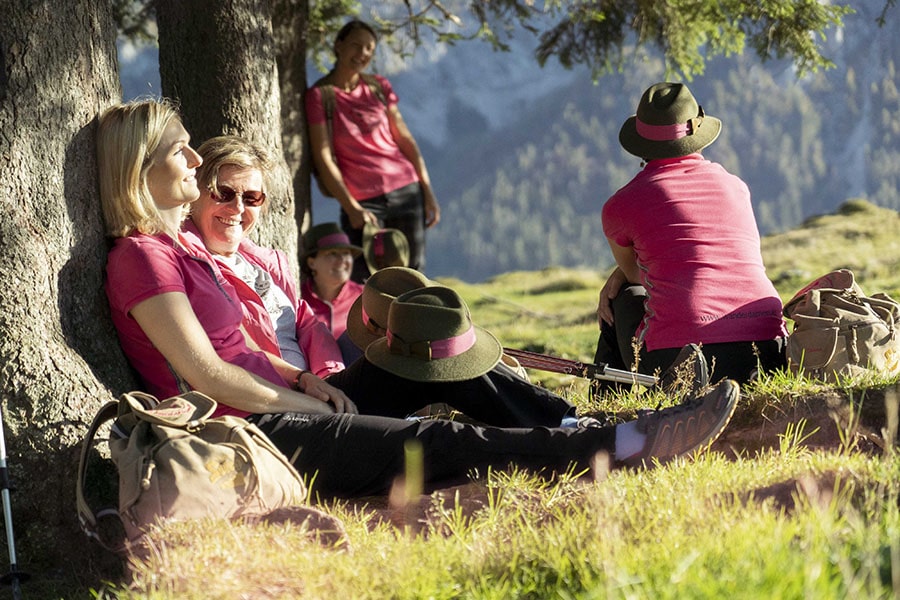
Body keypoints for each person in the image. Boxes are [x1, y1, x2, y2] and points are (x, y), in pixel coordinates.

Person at [98, 98, 740, 499]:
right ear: (139, 167)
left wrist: (309, 379)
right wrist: (314, 405)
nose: (192, 154)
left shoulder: (180, 250)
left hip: (291, 401)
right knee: (431, 439)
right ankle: (613, 449)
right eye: (178, 148)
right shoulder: (141, 257)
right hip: (255, 432)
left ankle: (576, 423)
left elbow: (253, 341)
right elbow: (205, 375)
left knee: (435, 344)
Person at [595, 82, 788, 386]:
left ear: (640, 142)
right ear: (697, 135)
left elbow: (637, 278)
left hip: (685, 355)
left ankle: (609, 415)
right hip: (768, 347)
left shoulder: (621, 205)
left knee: (624, 299)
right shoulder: (736, 187)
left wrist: (619, 275)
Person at [183, 136, 344, 382]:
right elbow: (233, 352)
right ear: (194, 192)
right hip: (278, 399)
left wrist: (329, 377)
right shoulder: (186, 263)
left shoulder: (265, 263)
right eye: (223, 193)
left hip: (320, 387)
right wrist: (304, 384)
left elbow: (304, 321)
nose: (237, 207)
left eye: (251, 198)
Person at [305, 19, 439, 283]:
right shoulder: (320, 96)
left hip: (406, 191)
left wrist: (427, 190)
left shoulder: (378, 86)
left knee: (413, 272)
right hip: (363, 203)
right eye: (356, 45)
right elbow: (323, 157)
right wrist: (351, 207)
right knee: (364, 277)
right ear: (338, 45)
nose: (363, 54)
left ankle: (411, 324)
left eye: (369, 49)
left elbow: (405, 139)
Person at [299, 222, 365, 346]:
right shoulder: (298, 300)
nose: (341, 260)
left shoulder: (365, 297)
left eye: (346, 253)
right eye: (332, 253)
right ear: (312, 263)